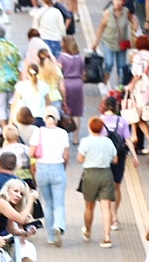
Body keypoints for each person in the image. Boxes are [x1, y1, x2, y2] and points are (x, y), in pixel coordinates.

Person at [33, 112, 73, 244]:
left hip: (42, 169)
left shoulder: (38, 132)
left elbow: (31, 153)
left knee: (48, 204)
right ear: (57, 120)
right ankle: (59, 226)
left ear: (45, 119)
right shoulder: (63, 133)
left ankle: (50, 236)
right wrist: (63, 167)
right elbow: (66, 156)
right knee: (59, 203)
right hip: (58, 168)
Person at [77, 117, 117, 247]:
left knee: (89, 206)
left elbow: (80, 159)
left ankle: (88, 231)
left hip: (90, 174)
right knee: (106, 208)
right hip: (106, 174)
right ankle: (107, 237)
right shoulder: (108, 142)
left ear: (89, 127)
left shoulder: (86, 141)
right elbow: (115, 160)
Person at [94, 0, 136, 84]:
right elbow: (100, 28)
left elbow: (132, 19)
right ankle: (104, 82)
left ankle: (119, 87)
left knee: (121, 67)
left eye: (119, 1)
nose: (116, 3)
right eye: (115, 1)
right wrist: (95, 43)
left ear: (123, 3)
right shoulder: (108, 13)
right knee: (109, 63)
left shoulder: (126, 12)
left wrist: (135, 26)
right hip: (108, 42)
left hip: (121, 44)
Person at [58, 38, 86, 135]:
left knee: (66, 108)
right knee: (77, 112)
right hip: (78, 83)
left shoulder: (62, 58)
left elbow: (58, 71)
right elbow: (83, 71)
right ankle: (76, 137)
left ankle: (66, 133)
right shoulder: (79, 57)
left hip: (66, 83)